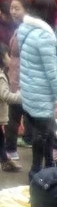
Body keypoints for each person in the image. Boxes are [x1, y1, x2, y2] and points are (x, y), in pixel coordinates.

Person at [16, 0, 57, 179]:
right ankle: (35, 172)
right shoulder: (45, 36)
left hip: (29, 93)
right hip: (40, 96)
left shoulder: (25, 30)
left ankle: (49, 166)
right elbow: (52, 73)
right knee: (42, 135)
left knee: (47, 132)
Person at [5, 0, 30, 163]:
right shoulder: (18, 27)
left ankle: (11, 149)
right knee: (16, 116)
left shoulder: (26, 29)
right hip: (15, 76)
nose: (13, 11)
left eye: (17, 8)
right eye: (12, 8)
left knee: (15, 116)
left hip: (21, 79)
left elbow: (26, 58)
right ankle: (11, 149)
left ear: (26, 10)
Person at [0, 42, 22, 172]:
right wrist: (20, 96)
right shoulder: (1, 77)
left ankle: (5, 161)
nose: (10, 58)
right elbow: (6, 96)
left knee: (1, 139)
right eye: (8, 55)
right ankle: (5, 161)